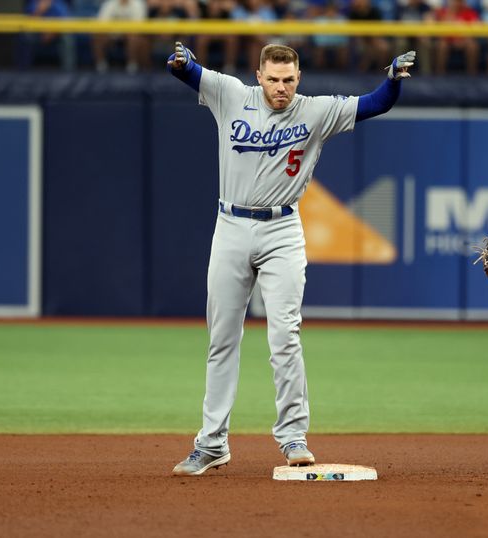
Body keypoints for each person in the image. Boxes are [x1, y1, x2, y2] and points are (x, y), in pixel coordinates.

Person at [166, 41, 415, 475]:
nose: (280, 87)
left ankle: (293, 436)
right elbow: (190, 72)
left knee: (285, 335)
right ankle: (211, 443)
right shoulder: (231, 94)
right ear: (258, 76)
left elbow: (375, 104)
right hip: (230, 226)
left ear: (298, 79)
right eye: (273, 79)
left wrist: (391, 79)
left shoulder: (315, 110)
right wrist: (183, 63)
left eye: (288, 80)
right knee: (222, 338)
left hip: (283, 229)